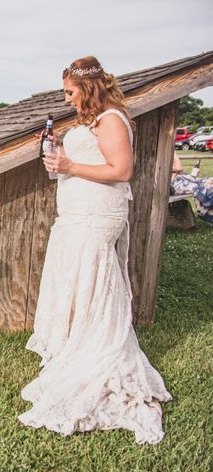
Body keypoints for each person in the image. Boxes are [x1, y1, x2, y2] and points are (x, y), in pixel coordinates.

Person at [18, 57, 172, 444]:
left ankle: (95, 348)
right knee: (73, 274)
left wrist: (69, 164)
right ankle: (73, 342)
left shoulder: (112, 119)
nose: (67, 99)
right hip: (76, 210)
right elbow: (78, 166)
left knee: (93, 274)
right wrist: (57, 161)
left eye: (71, 92)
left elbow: (121, 171)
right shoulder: (88, 123)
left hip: (99, 213)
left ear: (88, 88)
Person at [170, 152, 213, 225]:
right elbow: (178, 168)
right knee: (206, 188)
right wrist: (174, 152)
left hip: (183, 181)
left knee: (211, 181)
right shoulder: (165, 160)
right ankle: (208, 215)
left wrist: (194, 173)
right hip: (176, 185)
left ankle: (209, 214)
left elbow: (181, 173)